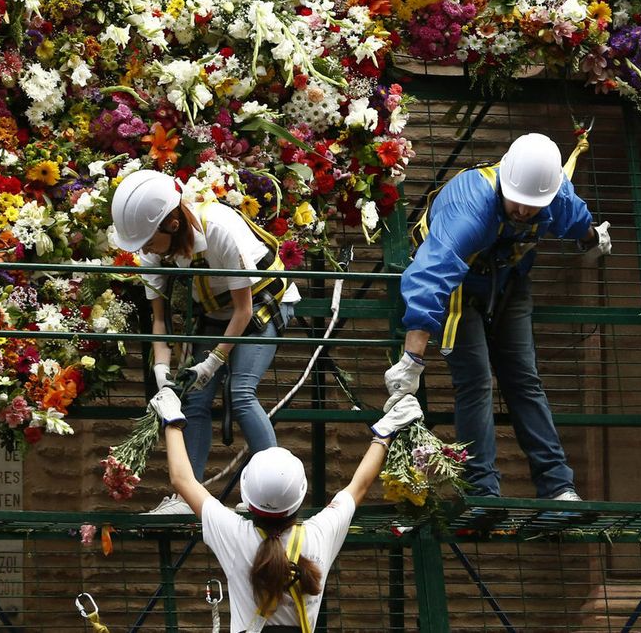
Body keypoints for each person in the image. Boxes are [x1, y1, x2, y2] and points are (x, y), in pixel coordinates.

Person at [383, 133, 611, 500]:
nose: (524, 212)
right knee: (475, 381)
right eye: (518, 202)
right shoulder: (470, 205)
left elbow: (575, 218)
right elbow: (432, 275)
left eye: (533, 206)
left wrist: (591, 238)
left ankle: (558, 487)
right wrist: (412, 360)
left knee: (524, 380)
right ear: (506, 180)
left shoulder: (554, 195)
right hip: (457, 286)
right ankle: (482, 489)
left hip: (508, 280)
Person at [148, 385, 424, 632]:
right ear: (300, 497)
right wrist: (385, 432)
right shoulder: (319, 536)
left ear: (248, 496)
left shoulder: (235, 535)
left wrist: (173, 419)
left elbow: (181, 479)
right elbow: (359, 486)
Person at [112, 169, 302, 514]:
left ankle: (274, 495)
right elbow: (159, 319)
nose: (147, 252)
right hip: (217, 313)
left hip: (261, 304)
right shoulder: (153, 249)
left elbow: (243, 310)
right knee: (193, 401)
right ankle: (189, 498)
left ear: (171, 224)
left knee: (241, 392)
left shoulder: (219, 229)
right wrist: (161, 371)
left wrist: (213, 361)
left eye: (149, 243)